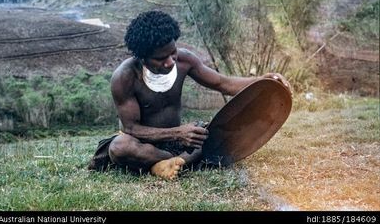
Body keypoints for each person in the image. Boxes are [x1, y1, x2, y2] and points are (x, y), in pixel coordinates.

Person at [88, 10, 290, 180]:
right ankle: (173, 162)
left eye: (172, 52)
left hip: (179, 142)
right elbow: (131, 128)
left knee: (210, 134)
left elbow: (223, 83)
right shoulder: (124, 77)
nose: (169, 62)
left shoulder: (185, 60)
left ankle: (168, 163)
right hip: (143, 143)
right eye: (160, 58)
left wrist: (263, 81)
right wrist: (177, 132)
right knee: (120, 147)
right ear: (141, 57)